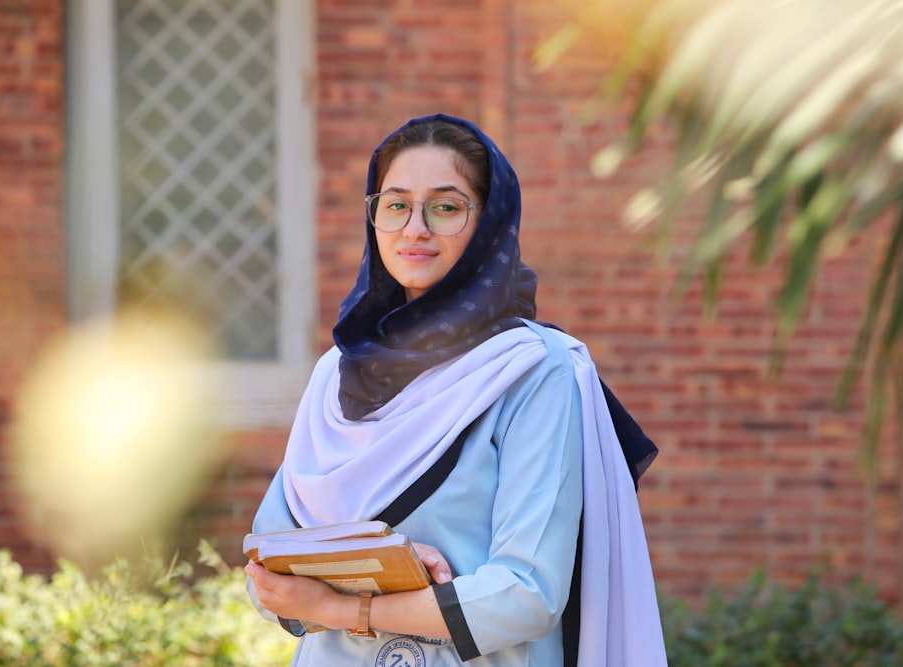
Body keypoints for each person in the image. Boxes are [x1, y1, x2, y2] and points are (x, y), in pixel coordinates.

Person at [245, 113, 667, 666]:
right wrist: (385, 562)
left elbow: (526, 595)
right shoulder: (337, 374)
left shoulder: (531, 372)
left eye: (445, 208)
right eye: (395, 205)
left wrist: (349, 606)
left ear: (488, 225)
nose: (415, 228)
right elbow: (269, 573)